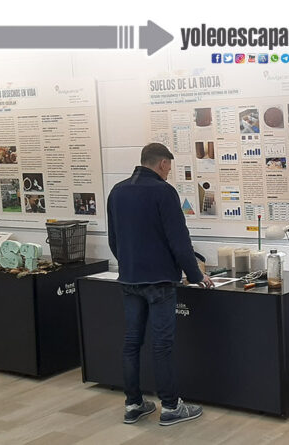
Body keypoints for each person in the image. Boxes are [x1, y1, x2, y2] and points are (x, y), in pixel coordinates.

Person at [107, 142, 214, 426]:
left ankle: (133, 404)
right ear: (163, 163)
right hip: (160, 282)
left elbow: (114, 239)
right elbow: (179, 240)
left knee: (132, 343)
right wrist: (195, 275)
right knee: (162, 345)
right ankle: (170, 407)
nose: (169, 173)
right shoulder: (163, 192)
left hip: (129, 279)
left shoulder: (117, 191)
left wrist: (130, 264)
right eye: (169, 167)